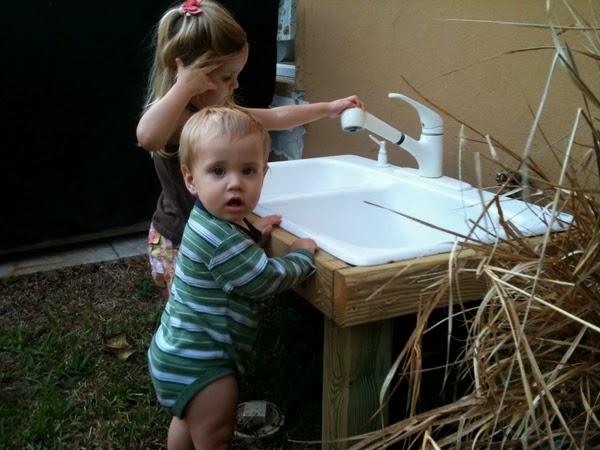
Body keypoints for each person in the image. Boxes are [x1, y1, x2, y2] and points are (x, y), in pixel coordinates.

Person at [136, 0, 365, 296]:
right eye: (225, 77)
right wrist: (183, 86)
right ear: (188, 74)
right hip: (181, 238)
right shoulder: (177, 118)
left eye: (236, 75)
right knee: (193, 308)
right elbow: (147, 137)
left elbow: (274, 117)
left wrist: (328, 108)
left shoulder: (218, 112)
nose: (234, 85)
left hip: (215, 233)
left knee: (218, 303)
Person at [147, 106, 318, 449]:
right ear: (191, 179)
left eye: (248, 171)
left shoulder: (208, 221)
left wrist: (253, 235)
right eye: (219, 171)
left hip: (176, 353)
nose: (235, 183)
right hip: (204, 362)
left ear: (264, 174)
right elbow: (262, 279)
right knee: (216, 437)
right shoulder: (221, 237)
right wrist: (301, 255)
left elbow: (229, 255)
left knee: (188, 418)